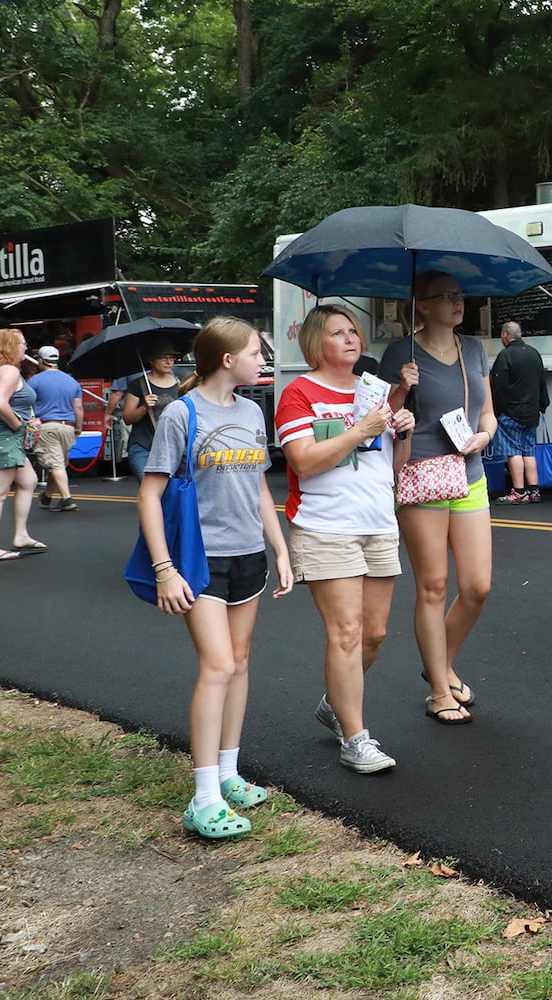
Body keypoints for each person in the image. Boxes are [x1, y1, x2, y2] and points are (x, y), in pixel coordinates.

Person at [137, 317, 292, 839]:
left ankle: (228, 773)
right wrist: (164, 569)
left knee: (241, 662)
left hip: (250, 555)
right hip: (200, 560)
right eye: (256, 352)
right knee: (219, 665)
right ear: (228, 359)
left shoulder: (252, 412)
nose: (262, 361)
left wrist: (280, 548)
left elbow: (258, 489)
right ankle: (203, 797)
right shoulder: (181, 414)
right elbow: (150, 494)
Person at [278, 305, 416, 774]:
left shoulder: (374, 391)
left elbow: (392, 466)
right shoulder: (299, 393)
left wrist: (403, 432)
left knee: (374, 634)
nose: (351, 338)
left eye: (353, 331)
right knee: (347, 631)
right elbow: (303, 462)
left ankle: (334, 701)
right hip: (324, 525)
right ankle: (355, 738)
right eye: (338, 333)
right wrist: (361, 430)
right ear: (317, 343)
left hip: (377, 521)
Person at [379, 270, 496, 725]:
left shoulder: (474, 349)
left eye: (460, 294)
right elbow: (382, 419)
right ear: (421, 306)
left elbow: (487, 413)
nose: (456, 301)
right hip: (422, 474)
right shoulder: (399, 353)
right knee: (433, 585)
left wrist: (484, 436)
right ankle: (438, 690)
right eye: (445, 296)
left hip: (470, 472)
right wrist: (402, 386)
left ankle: (439, 664)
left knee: (478, 586)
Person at [0, 328, 45, 562]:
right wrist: (16, 425)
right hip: (4, 438)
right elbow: (0, 403)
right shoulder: (9, 371)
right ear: (10, 346)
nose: (25, 347)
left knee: (28, 481)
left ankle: (20, 535)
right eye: (22, 343)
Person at [490, 320, 550, 506]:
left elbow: (498, 388)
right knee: (529, 451)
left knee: (513, 452)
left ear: (505, 335)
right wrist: (542, 406)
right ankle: (534, 490)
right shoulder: (534, 354)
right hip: (532, 413)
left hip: (511, 413)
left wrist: (497, 411)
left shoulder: (505, 355)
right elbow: (542, 383)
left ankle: (519, 491)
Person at [28, 345, 84, 512]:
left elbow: (26, 403)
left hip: (47, 427)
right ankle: (47, 496)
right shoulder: (72, 381)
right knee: (58, 463)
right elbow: (78, 407)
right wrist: (78, 427)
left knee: (55, 464)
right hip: (68, 427)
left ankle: (67, 499)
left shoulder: (35, 381)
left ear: (40, 360)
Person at [121, 340, 185, 480]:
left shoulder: (180, 384)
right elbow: (127, 418)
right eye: (163, 358)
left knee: (171, 492)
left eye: (172, 358)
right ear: (151, 360)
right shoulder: (139, 385)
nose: (169, 362)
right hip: (143, 447)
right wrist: (144, 407)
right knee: (149, 490)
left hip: (171, 448)